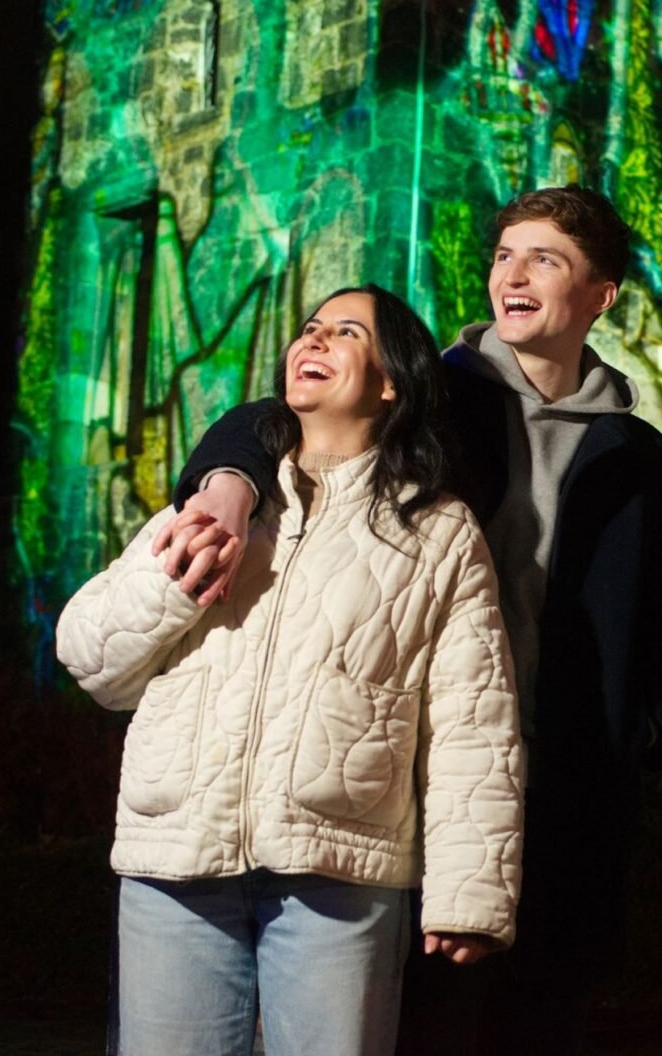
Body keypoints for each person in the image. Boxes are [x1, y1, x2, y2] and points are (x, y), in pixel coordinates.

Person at [156, 186, 662, 1053]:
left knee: (541, 1023)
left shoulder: (641, 457)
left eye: (545, 260)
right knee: (413, 1025)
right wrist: (226, 481)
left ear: (601, 295)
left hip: (568, 794)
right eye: (505, 256)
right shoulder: (431, 397)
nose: (513, 276)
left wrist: (639, 741)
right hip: (424, 774)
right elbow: (269, 420)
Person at [56, 285, 524, 1056]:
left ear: (390, 382)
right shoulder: (219, 499)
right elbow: (89, 658)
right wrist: (179, 579)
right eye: (310, 328)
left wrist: (470, 893)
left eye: (347, 333)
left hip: (338, 875)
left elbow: (473, 724)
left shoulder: (439, 529)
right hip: (175, 858)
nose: (315, 339)